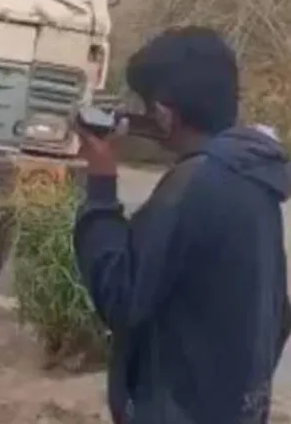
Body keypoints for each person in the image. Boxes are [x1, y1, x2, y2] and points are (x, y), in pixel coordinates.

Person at [74, 26, 291, 424]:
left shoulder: (192, 186)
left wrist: (101, 185)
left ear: (162, 113)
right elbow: (279, 315)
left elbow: (120, 295)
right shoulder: (255, 176)